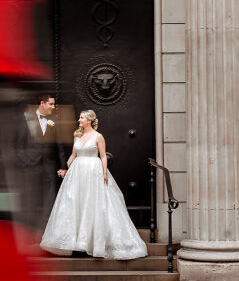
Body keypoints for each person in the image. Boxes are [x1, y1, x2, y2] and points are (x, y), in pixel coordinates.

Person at [40, 110, 147, 260]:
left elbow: (103, 156)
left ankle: (91, 242)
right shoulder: (77, 135)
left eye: (82, 117)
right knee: (75, 203)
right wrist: (65, 168)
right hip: (77, 173)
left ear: (89, 120)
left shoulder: (98, 137)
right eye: (80, 117)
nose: (79, 120)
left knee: (92, 204)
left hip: (92, 172)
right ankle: (74, 242)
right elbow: (73, 154)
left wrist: (104, 173)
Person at [14, 93, 67, 230]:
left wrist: (63, 166)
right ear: (42, 104)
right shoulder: (27, 118)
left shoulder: (54, 120)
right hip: (30, 164)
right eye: (51, 104)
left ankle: (46, 227)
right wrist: (24, 161)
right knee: (31, 196)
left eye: (54, 104)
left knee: (50, 196)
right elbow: (19, 143)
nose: (53, 107)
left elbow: (59, 145)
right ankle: (30, 227)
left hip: (49, 164)